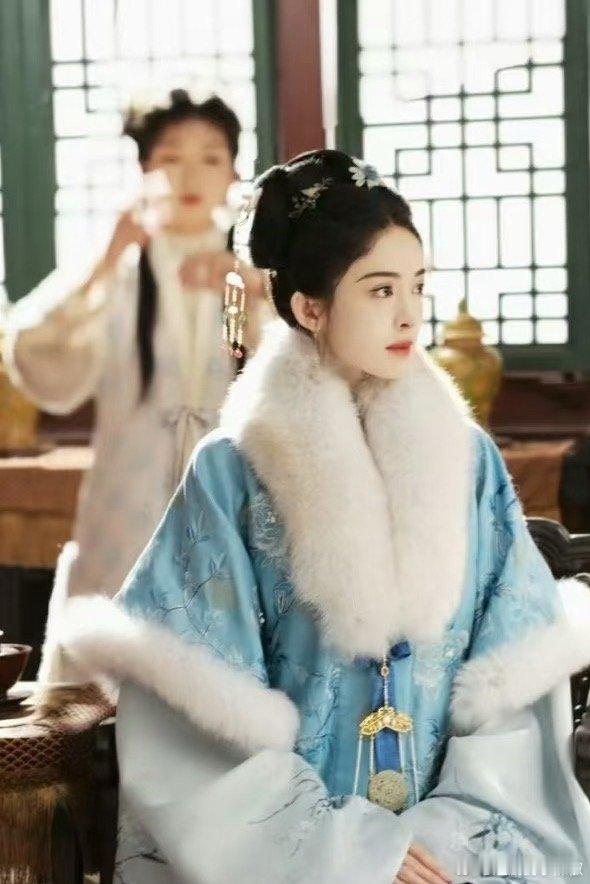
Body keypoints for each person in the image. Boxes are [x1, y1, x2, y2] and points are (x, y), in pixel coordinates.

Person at [59, 149, 590, 883]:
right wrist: (354, 853)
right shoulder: (230, 472)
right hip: (292, 857)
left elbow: (515, 680)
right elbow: (192, 709)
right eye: (380, 290)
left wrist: (448, 837)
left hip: (454, 850)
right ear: (310, 308)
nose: (409, 314)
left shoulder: (467, 460)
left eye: (418, 285)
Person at [1, 90, 271, 682]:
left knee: (226, 665)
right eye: (170, 157)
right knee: (108, 664)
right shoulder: (122, 266)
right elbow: (34, 353)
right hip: (130, 490)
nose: (190, 175)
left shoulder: (247, 270)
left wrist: (249, 288)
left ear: (233, 172)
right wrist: (106, 258)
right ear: (145, 168)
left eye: (210, 157)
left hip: (228, 489)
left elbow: (272, 367)